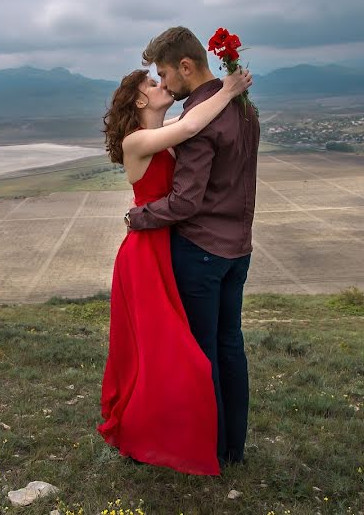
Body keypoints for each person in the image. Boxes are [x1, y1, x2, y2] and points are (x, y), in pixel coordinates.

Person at [98, 64, 252, 476]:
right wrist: (229, 89)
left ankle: (183, 432)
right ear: (140, 100)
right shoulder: (139, 140)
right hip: (145, 257)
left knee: (167, 353)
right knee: (158, 352)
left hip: (169, 250)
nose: (162, 84)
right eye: (153, 82)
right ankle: (148, 434)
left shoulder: (163, 143)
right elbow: (190, 127)